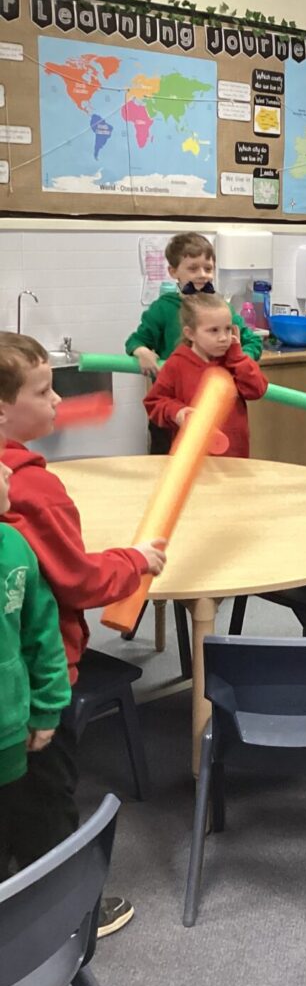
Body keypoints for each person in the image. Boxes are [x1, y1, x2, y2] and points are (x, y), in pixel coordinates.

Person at [0, 332, 167, 936]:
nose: (57, 402)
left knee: (13, 797)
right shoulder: (30, 486)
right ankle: (66, 918)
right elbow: (77, 580)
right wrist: (135, 560)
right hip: (35, 684)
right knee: (46, 799)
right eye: (44, 392)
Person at [125, 232, 264, 453]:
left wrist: (238, 360)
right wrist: (141, 351)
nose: (202, 275)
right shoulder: (164, 309)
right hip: (178, 406)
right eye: (193, 268)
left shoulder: (221, 309)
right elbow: (136, 340)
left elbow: (252, 342)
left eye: (208, 268)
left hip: (225, 436)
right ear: (173, 272)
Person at [0, 462, 72, 879]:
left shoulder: (13, 546)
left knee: (22, 820)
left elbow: (41, 633)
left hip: (12, 733)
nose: (7, 469)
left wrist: (46, 708)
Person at [143, 294, 268, 459]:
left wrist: (237, 356)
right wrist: (177, 412)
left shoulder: (234, 361)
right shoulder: (177, 364)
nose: (223, 338)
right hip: (191, 459)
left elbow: (257, 389)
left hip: (234, 458)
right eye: (213, 330)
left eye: (228, 329)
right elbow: (154, 402)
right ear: (190, 334)